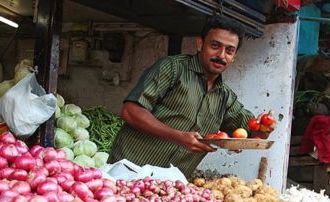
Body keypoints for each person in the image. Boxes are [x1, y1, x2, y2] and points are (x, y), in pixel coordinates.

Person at [108, 16, 269, 177]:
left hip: (169, 187)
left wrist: (265, 127)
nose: (221, 55)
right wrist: (178, 137)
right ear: (200, 44)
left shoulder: (225, 97)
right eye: (215, 46)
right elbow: (130, 111)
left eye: (229, 50)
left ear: (234, 57)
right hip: (128, 172)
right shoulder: (173, 69)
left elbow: (255, 135)